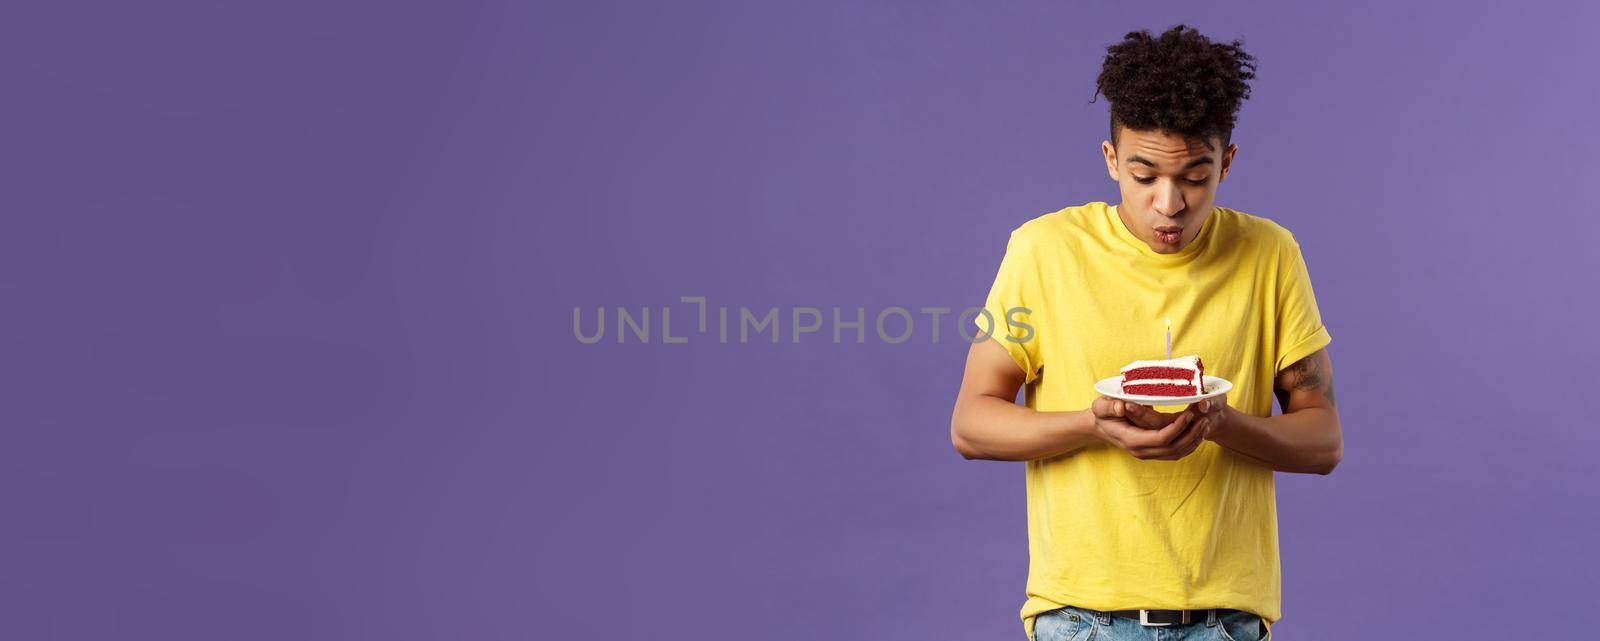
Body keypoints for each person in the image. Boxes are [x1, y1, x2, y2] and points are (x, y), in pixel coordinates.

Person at [949, 25, 1342, 641]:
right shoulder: (1044, 252)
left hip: (1226, 620)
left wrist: (1222, 423)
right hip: (1081, 617)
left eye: (1194, 176)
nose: (1169, 203)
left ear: (1227, 162)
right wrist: (1091, 425)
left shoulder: (1270, 254)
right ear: (1110, 160)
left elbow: (1323, 441)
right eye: (1144, 175)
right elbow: (971, 424)